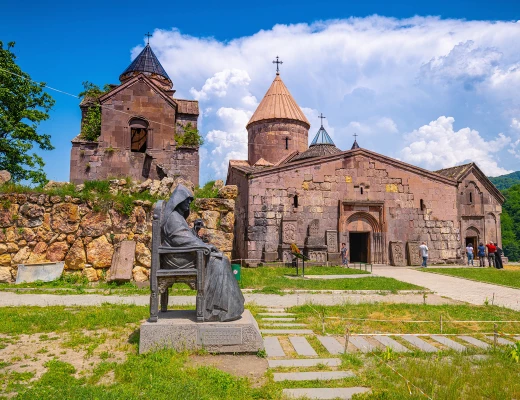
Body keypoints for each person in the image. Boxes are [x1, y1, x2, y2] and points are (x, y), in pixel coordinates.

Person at [161, 185, 245, 322]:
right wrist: (205, 246)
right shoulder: (173, 218)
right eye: (186, 200)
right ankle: (214, 309)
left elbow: (186, 237)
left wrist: (196, 232)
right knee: (219, 261)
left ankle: (224, 307)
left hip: (182, 254)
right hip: (177, 258)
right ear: (178, 200)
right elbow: (181, 239)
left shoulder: (177, 217)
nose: (189, 203)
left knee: (221, 258)